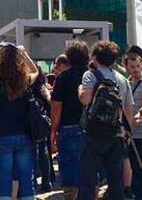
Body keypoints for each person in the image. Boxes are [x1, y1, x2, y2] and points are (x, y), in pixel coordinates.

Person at [79, 40, 134, 200]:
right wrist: (127, 132)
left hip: (92, 134)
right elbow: (128, 109)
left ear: (95, 57)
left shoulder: (90, 75)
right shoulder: (122, 79)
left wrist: (80, 89)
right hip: (115, 134)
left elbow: (85, 99)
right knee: (116, 180)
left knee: (88, 178)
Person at [0, 44, 39, 200]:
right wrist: (24, 54)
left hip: (1, 135)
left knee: (4, 182)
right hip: (25, 134)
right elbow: (36, 71)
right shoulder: (25, 80)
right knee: (27, 179)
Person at [51, 40, 89, 200]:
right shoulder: (92, 76)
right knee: (88, 169)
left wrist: (53, 130)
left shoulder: (63, 78)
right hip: (91, 129)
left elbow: (56, 107)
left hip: (68, 128)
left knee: (68, 169)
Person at [125, 53, 142, 200]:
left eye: (138, 66)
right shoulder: (126, 83)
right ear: (127, 67)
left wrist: (135, 120)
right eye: (132, 66)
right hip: (130, 136)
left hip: (139, 133)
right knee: (134, 169)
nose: (136, 69)